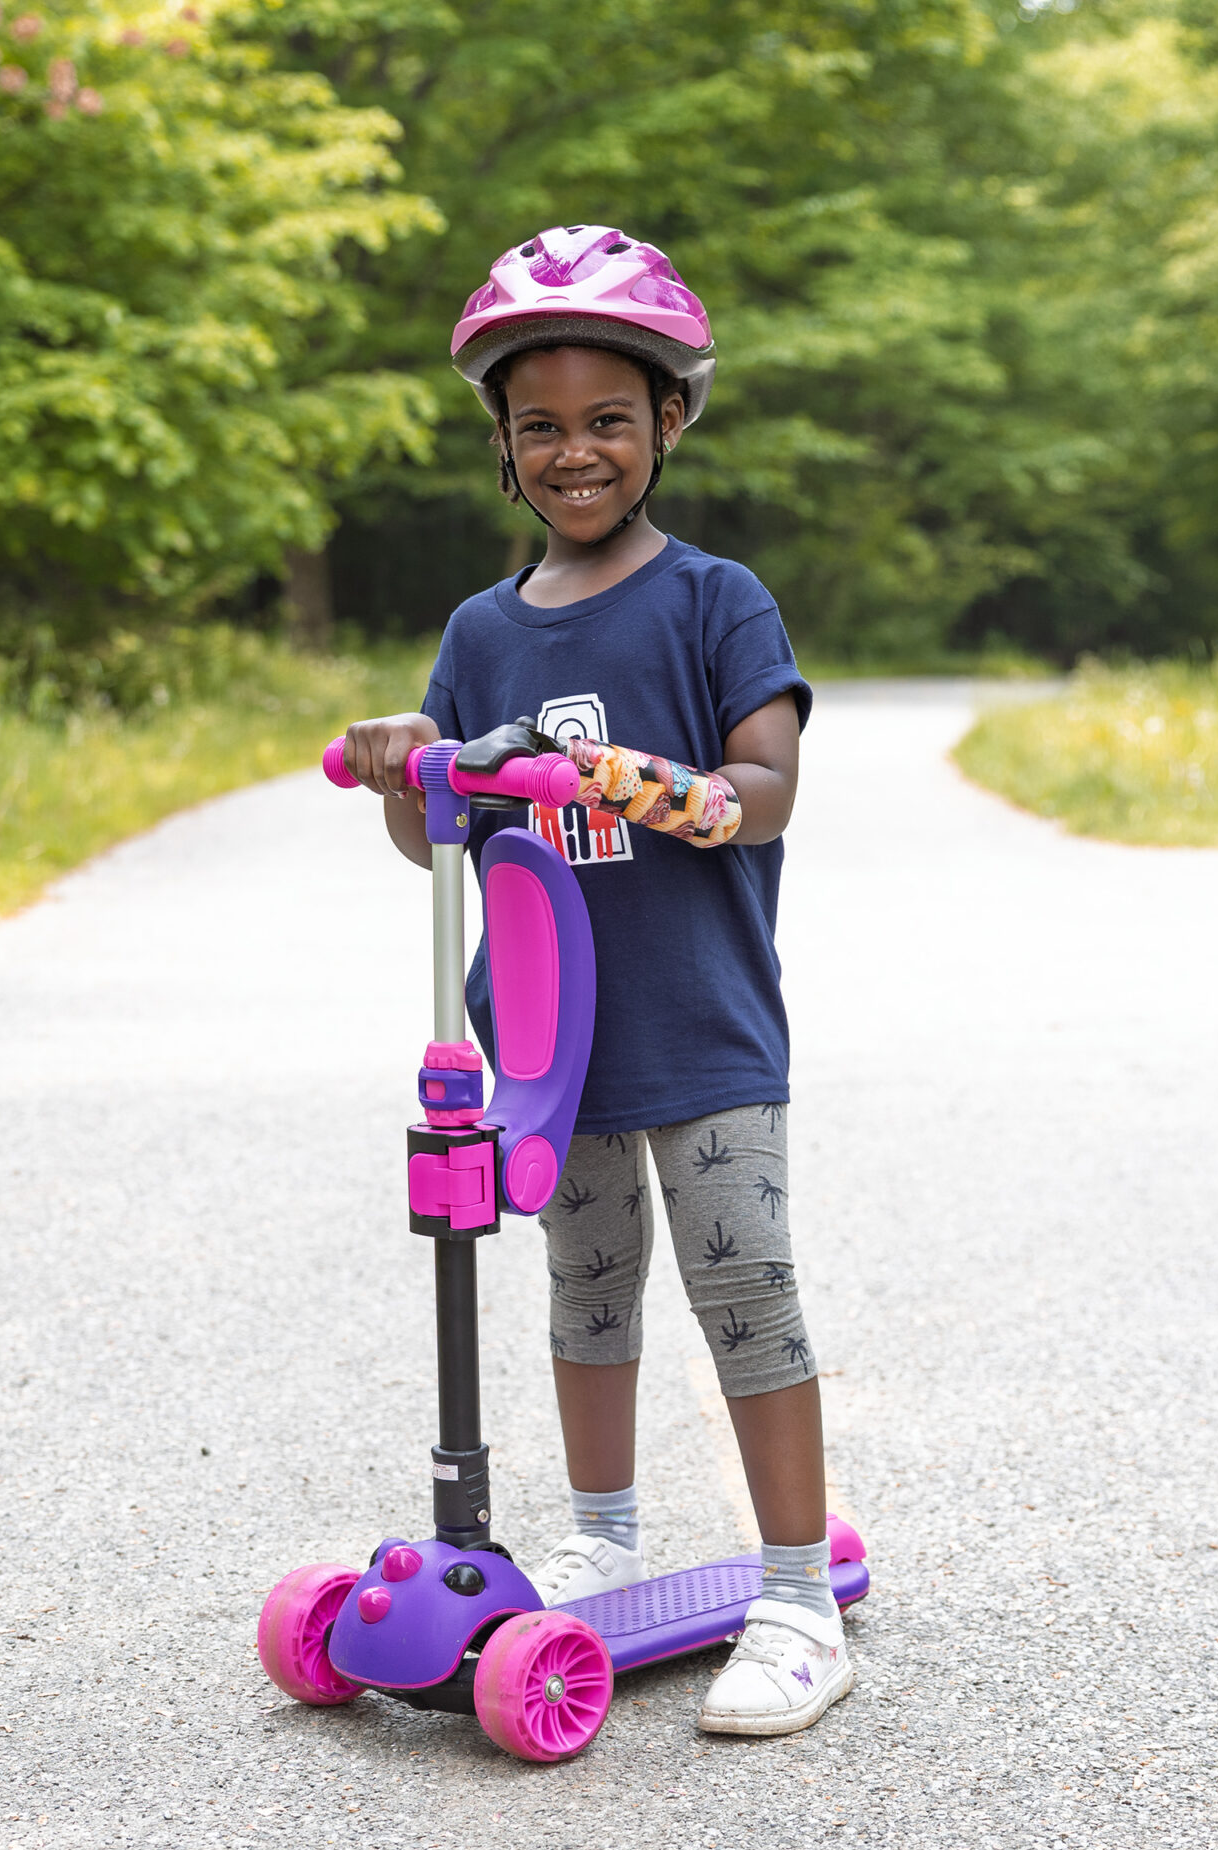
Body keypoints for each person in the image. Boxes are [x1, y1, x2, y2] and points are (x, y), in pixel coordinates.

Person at [340, 224, 851, 1737]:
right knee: (587, 1284)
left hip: (700, 1022)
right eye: (542, 424)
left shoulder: (715, 600)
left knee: (745, 1283)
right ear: (503, 444)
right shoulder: (480, 634)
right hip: (546, 1038)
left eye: (609, 419)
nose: (577, 451)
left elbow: (766, 791)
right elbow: (439, 828)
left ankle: (802, 1597)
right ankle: (603, 1536)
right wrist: (395, 767)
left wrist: (636, 777)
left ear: (668, 422)